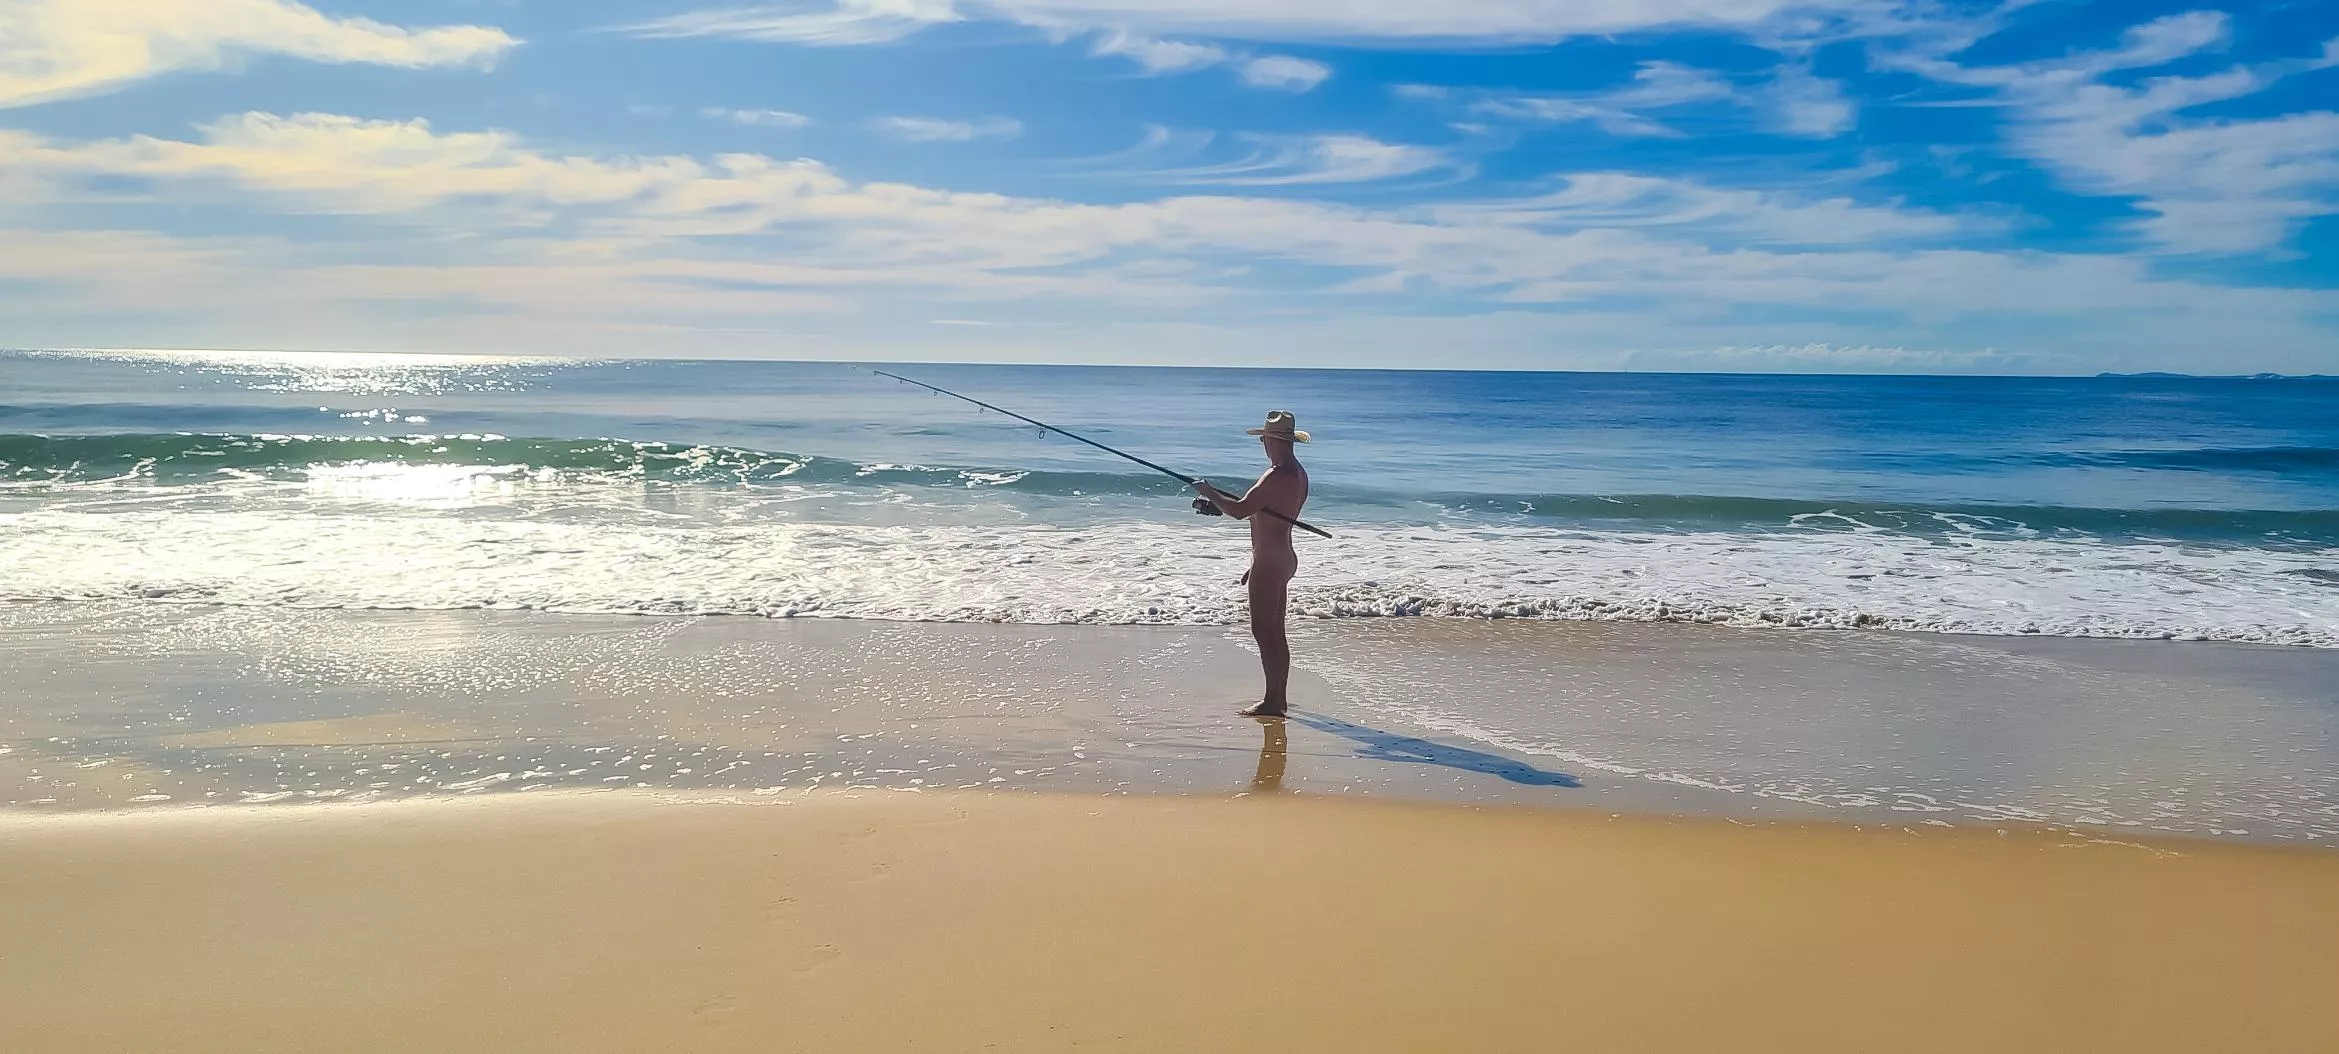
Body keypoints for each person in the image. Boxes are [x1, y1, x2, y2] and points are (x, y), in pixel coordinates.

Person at [1191, 411, 1311, 717]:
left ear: (1274, 440)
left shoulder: (1276, 475)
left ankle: (1273, 702)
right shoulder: (1298, 474)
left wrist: (1209, 492)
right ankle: (1277, 699)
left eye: (1264, 439)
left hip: (1271, 562)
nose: (1263, 444)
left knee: (1264, 631)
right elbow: (1264, 514)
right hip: (1282, 557)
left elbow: (1241, 510)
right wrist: (1219, 505)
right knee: (1275, 632)